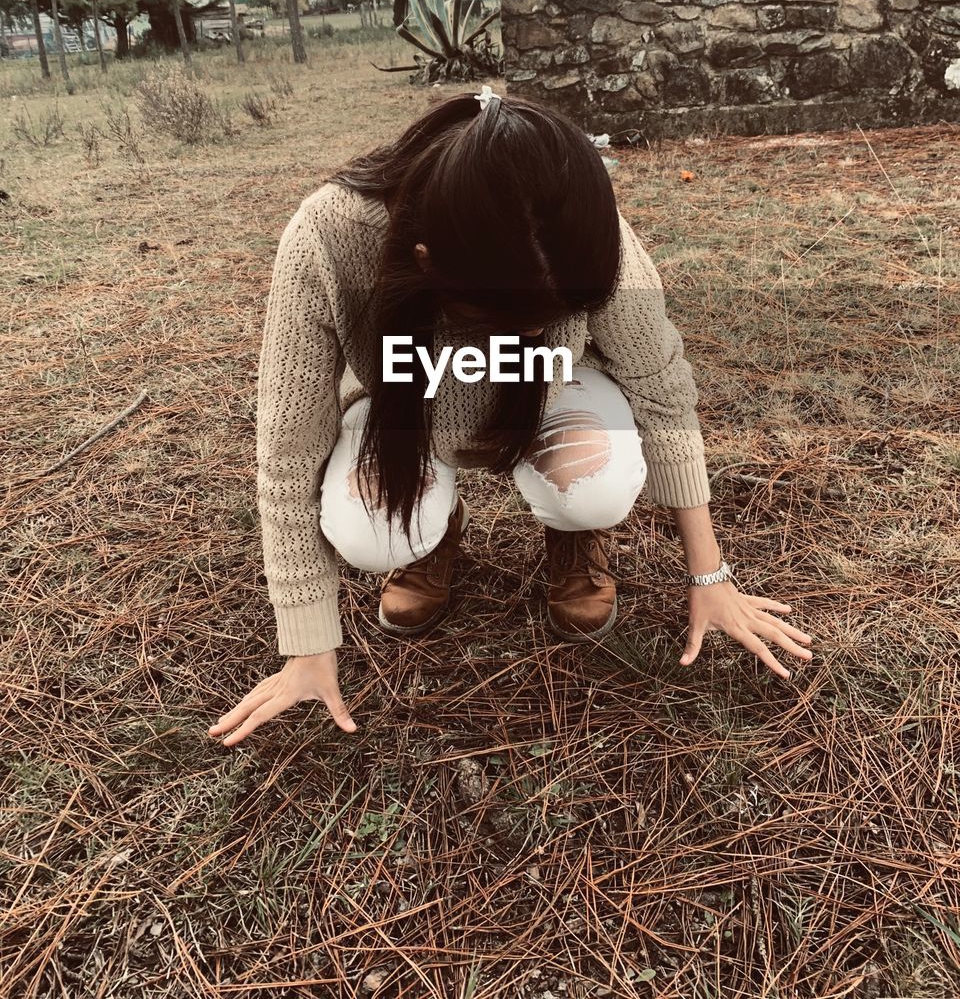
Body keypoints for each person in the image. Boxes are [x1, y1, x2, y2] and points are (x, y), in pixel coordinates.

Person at [209, 89, 814, 745]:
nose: (537, 328)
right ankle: (433, 531)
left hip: (554, 397)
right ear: (428, 264)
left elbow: (661, 386)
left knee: (597, 485)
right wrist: (306, 645)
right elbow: (288, 447)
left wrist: (710, 575)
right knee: (369, 533)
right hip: (403, 409)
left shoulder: (580, 231)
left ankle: (572, 534)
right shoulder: (328, 238)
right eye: (514, 319)